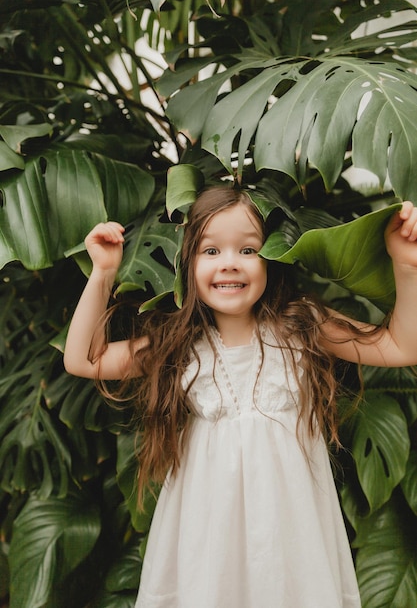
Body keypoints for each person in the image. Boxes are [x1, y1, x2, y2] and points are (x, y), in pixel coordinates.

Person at [64, 186, 417, 608]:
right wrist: (102, 273)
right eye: (210, 251)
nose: (229, 263)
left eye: (247, 250)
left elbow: (400, 346)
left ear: (270, 257)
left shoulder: (301, 327)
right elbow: (85, 359)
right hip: (208, 536)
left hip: (289, 535)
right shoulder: (179, 343)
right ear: (188, 263)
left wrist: (407, 264)